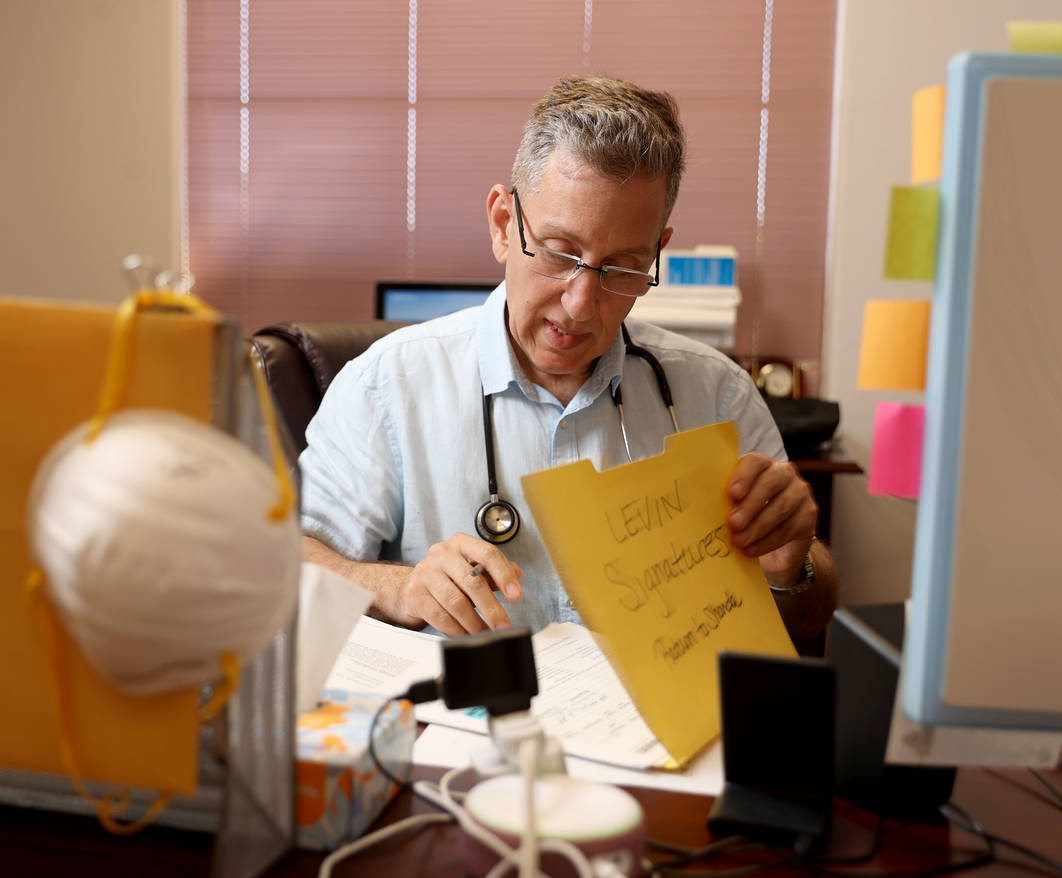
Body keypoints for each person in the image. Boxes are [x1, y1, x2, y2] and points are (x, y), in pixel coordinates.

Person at [300, 75, 837, 639]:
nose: (581, 305)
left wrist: (789, 567)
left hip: (657, 725)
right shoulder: (388, 384)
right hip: (466, 722)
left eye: (623, 266)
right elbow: (291, 566)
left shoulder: (717, 393)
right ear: (504, 225)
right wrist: (397, 588)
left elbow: (807, 618)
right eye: (560, 254)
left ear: (658, 253)